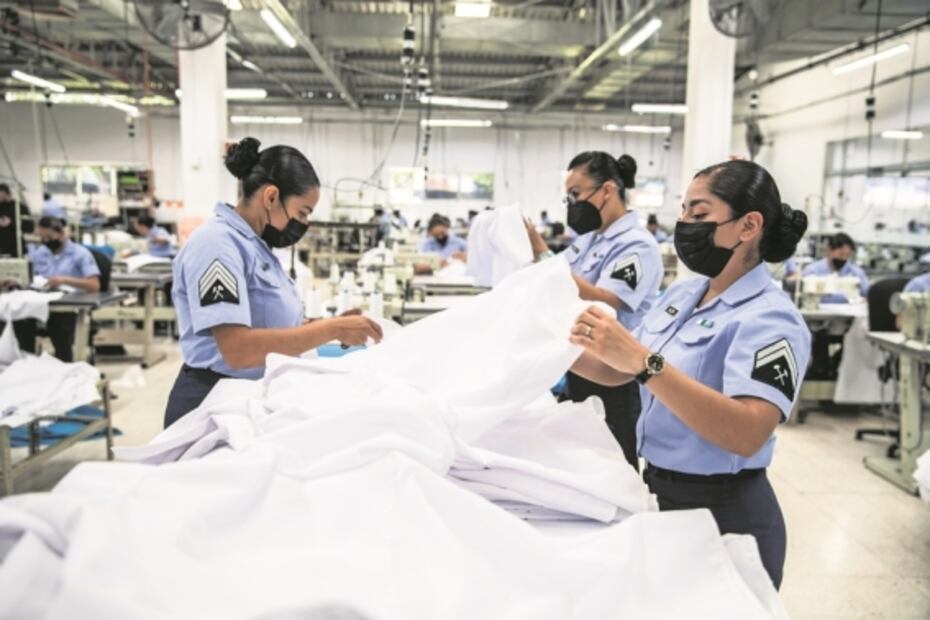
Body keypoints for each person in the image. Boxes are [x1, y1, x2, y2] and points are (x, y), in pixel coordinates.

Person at [568, 160, 810, 589]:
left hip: (726, 514)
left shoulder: (772, 319)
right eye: (683, 213)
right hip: (661, 497)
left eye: (699, 215)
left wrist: (646, 364)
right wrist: (546, 347)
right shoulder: (685, 294)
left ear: (749, 225)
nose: (685, 225)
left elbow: (747, 432)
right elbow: (616, 371)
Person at [165, 137, 383, 428]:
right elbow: (238, 349)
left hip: (246, 397)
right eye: (302, 212)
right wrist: (330, 328)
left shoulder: (255, 245)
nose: (304, 224)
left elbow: (264, 325)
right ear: (270, 197)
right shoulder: (217, 246)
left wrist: (324, 329)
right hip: (210, 406)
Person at [525, 152, 662, 468]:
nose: (572, 203)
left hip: (616, 372)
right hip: (583, 361)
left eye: (576, 194)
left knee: (615, 462)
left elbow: (606, 298)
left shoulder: (635, 245)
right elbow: (561, 276)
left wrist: (545, 260)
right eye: (568, 196)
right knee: (584, 460)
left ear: (607, 190)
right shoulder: (588, 240)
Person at [33, 216, 102, 362]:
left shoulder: (80, 254)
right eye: (42, 237)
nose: (45, 241)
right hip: (44, 302)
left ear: (62, 233)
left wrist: (65, 280)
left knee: (59, 326)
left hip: (72, 307)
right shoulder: (41, 253)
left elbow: (94, 285)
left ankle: (66, 365)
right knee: (17, 319)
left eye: (49, 237)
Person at [801, 233, 869, 303]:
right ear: (829, 250)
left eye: (847, 255)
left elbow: (868, 294)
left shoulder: (857, 272)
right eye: (841, 254)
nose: (844, 258)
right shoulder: (812, 270)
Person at [0, 183, 32, 258]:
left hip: (15, 249)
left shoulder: (20, 208)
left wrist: (12, 222)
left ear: (5, 193)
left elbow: (30, 227)